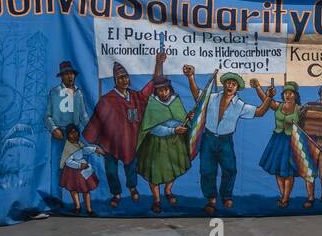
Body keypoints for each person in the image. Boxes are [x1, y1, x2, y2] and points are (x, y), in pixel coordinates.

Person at [83, 55, 167, 208]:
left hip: (130, 142)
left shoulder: (136, 97)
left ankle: (132, 187)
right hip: (110, 144)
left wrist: (158, 63)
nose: (124, 80)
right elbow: (96, 121)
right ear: (116, 80)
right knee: (111, 172)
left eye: (126, 77)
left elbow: (154, 83)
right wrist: (96, 145)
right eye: (121, 78)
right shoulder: (107, 100)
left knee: (131, 167)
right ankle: (116, 193)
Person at [185, 69, 270, 215]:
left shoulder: (240, 105)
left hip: (226, 141)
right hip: (209, 138)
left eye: (234, 84)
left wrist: (268, 98)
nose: (230, 85)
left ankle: (226, 196)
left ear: (237, 88)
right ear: (224, 84)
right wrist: (191, 76)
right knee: (206, 170)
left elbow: (260, 112)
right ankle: (211, 199)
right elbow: (197, 95)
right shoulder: (212, 98)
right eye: (228, 83)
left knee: (230, 169)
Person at [134, 75, 193, 214]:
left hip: (175, 143)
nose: (164, 93)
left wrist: (188, 118)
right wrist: (173, 130)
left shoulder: (176, 100)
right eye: (160, 90)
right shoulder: (152, 104)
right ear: (156, 91)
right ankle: (156, 200)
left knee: (174, 168)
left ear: (170, 89)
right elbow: (151, 127)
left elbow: (181, 119)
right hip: (156, 144)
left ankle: (168, 191)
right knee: (155, 173)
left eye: (166, 89)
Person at [253, 81, 309, 207]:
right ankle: (283, 194)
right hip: (277, 141)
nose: (287, 95)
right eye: (285, 93)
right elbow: (265, 99)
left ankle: (285, 198)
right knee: (278, 170)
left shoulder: (300, 109)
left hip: (291, 142)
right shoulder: (278, 106)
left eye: (290, 93)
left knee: (288, 171)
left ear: (295, 95)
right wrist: (258, 87)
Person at [44, 60, 89, 192]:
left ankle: (76, 200)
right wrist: (54, 129)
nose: (70, 76)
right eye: (66, 74)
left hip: (74, 134)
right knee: (58, 166)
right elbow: (47, 116)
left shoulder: (78, 93)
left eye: (71, 74)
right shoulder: (55, 92)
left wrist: (92, 129)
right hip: (60, 134)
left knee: (77, 165)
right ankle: (56, 198)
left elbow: (83, 116)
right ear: (62, 76)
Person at [59, 125, 102, 216]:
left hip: (82, 171)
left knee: (86, 190)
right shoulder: (68, 147)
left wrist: (95, 149)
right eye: (71, 133)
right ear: (68, 135)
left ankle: (89, 209)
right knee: (73, 190)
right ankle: (77, 207)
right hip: (72, 172)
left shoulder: (78, 143)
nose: (74, 134)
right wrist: (79, 165)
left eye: (76, 132)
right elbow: (68, 161)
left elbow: (84, 150)